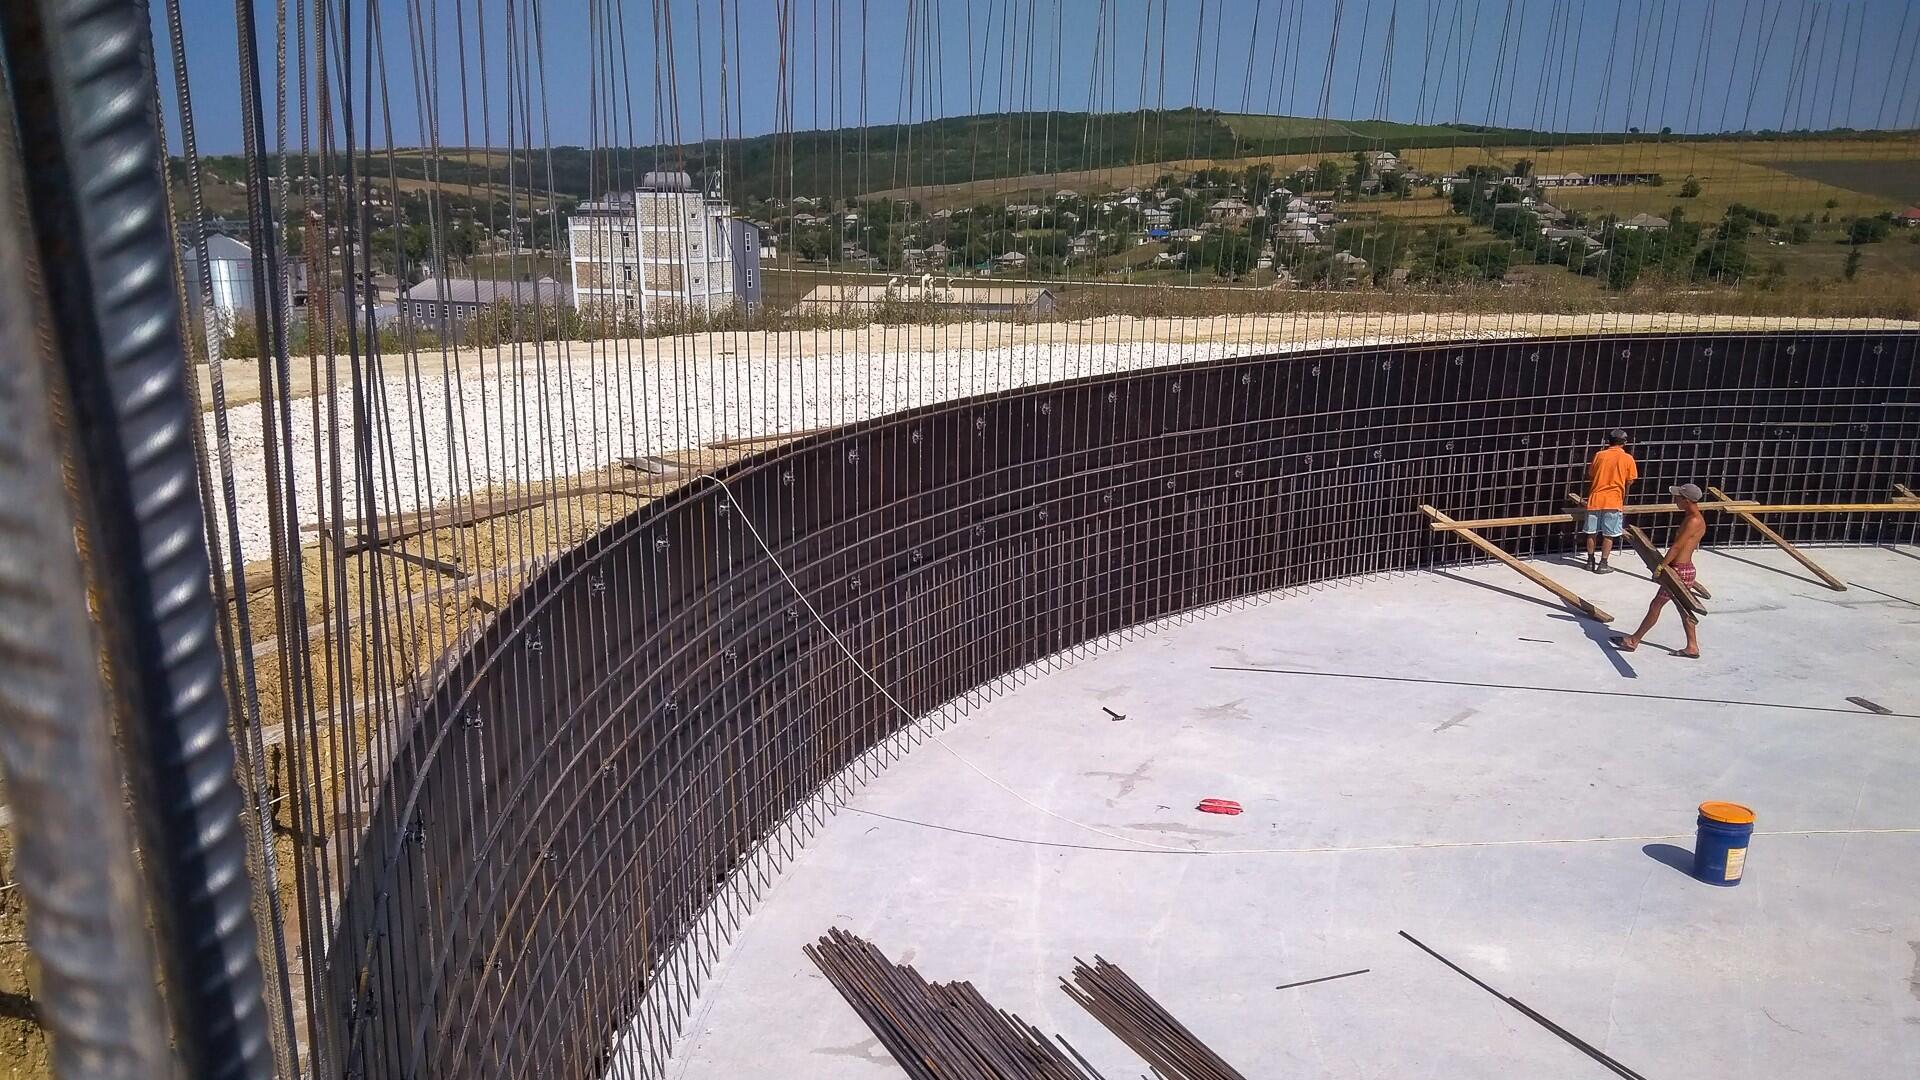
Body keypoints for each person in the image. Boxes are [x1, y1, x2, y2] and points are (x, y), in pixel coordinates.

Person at [1613, 483, 1706, 659]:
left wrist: (1661, 566)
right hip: (1682, 569)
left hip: (1679, 571)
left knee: (1657, 605)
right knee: (1683, 609)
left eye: (1678, 498)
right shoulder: (1693, 517)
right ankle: (1692, 647)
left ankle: (1634, 640)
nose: (1675, 500)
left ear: (1686, 500)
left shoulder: (1693, 520)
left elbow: (1677, 547)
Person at [1581, 429, 1638, 573]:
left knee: (1591, 532)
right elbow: (1630, 480)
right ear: (1624, 442)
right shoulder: (1628, 458)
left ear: (1609, 441)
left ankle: (1590, 561)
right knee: (1609, 534)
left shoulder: (1599, 455)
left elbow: (1591, 475)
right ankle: (1603, 564)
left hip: (1595, 499)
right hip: (1613, 501)